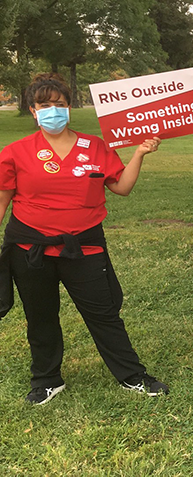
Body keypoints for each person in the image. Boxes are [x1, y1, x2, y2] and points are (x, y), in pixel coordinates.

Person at [0, 73, 168, 405]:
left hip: (85, 247)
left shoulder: (95, 146)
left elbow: (122, 187)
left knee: (104, 313)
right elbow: (3, 199)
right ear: (33, 111)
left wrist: (138, 154)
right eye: (44, 105)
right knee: (40, 316)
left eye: (59, 104)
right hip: (29, 249)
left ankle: (131, 375)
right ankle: (47, 379)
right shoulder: (16, 152)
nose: (52, 111)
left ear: (70, 107)